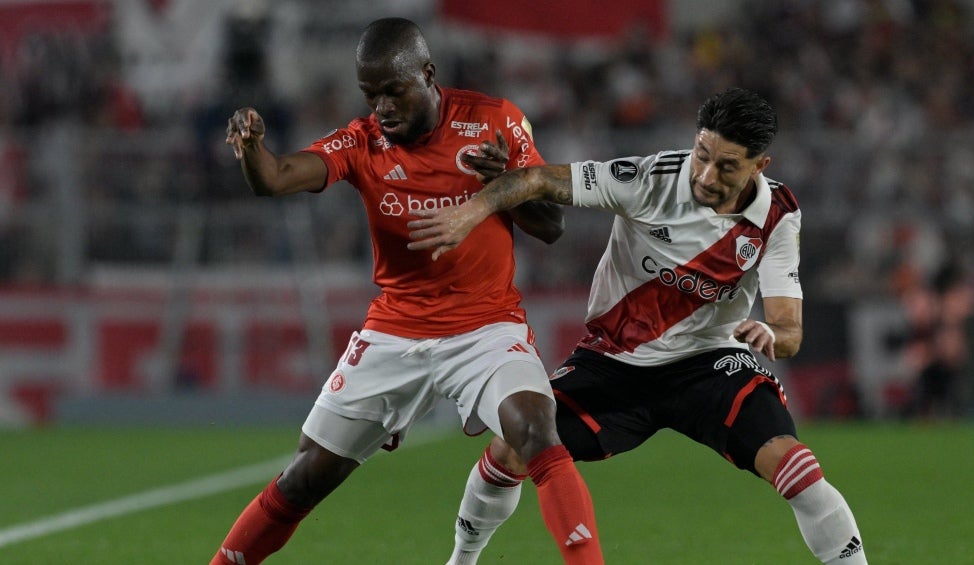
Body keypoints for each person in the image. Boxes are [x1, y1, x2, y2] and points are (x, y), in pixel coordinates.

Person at [408, 87, 868, 564]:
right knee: (510, 450)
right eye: (702, 155)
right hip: (613, 361)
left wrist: (772, 334)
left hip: (707, 363)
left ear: (760, 166)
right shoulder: (649, 178)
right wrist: (475, 209)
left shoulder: (777, 216)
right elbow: (540, 180)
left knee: (794, 465)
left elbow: (789, 330)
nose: (707, 176)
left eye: (727, 166)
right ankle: (461, 560)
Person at [211, 17, 603, 565]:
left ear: (427, 74)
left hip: (485, 326)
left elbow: (551, 226)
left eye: (394, 91)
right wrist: (252, 148)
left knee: (536, 428)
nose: (383, 108)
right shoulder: (363, 141)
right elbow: (274, 178)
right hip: (395, 329)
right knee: (304, 479)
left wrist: (502, 184)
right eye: (371, 95)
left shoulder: (495, 122)